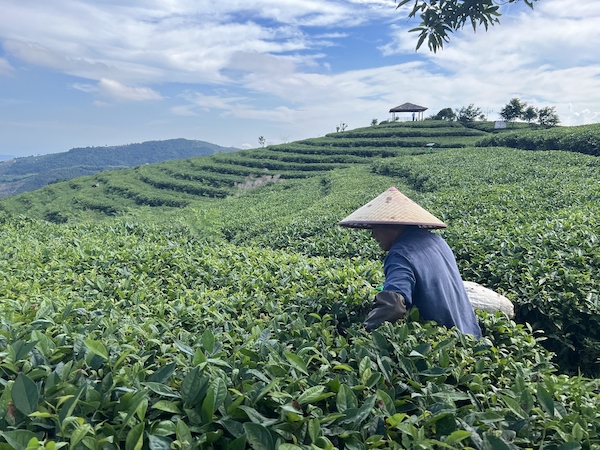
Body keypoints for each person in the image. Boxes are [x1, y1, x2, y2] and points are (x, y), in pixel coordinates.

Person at [339, 187, 482, 337]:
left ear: (390, 226)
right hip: (471, 336)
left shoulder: (400, 254)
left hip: (448, 340)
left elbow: (394, 305)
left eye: (374, 228)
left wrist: (363, 334)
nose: (373, 235)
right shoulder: (437, 241)